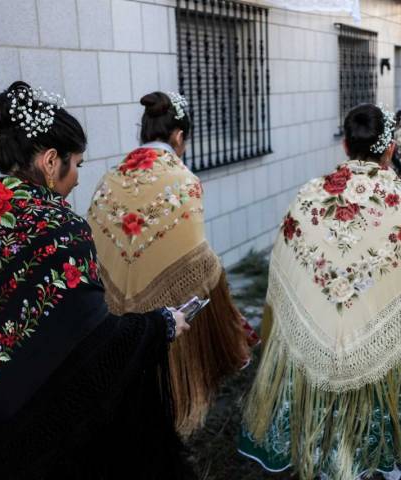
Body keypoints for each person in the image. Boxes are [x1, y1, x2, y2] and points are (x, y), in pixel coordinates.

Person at [0, 81, 195, 478]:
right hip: (41, 447)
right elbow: (95, 349)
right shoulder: (61, 230)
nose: (76, 178)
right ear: (51, 161)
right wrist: (159, 326)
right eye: (77, 164)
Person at [239, 104, 401, 480]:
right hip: (386, 361)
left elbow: (282, 278)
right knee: (377, 457)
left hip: (315, 357)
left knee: (322, 450)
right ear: (391, 149)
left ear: (346, 145)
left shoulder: (306, 199)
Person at [88, 91, 257, 436]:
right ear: (178, 136)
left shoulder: (109, 181)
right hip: (169, 315)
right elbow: (194, 255)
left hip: (112, 319)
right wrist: (210, 272)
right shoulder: (184, 181)